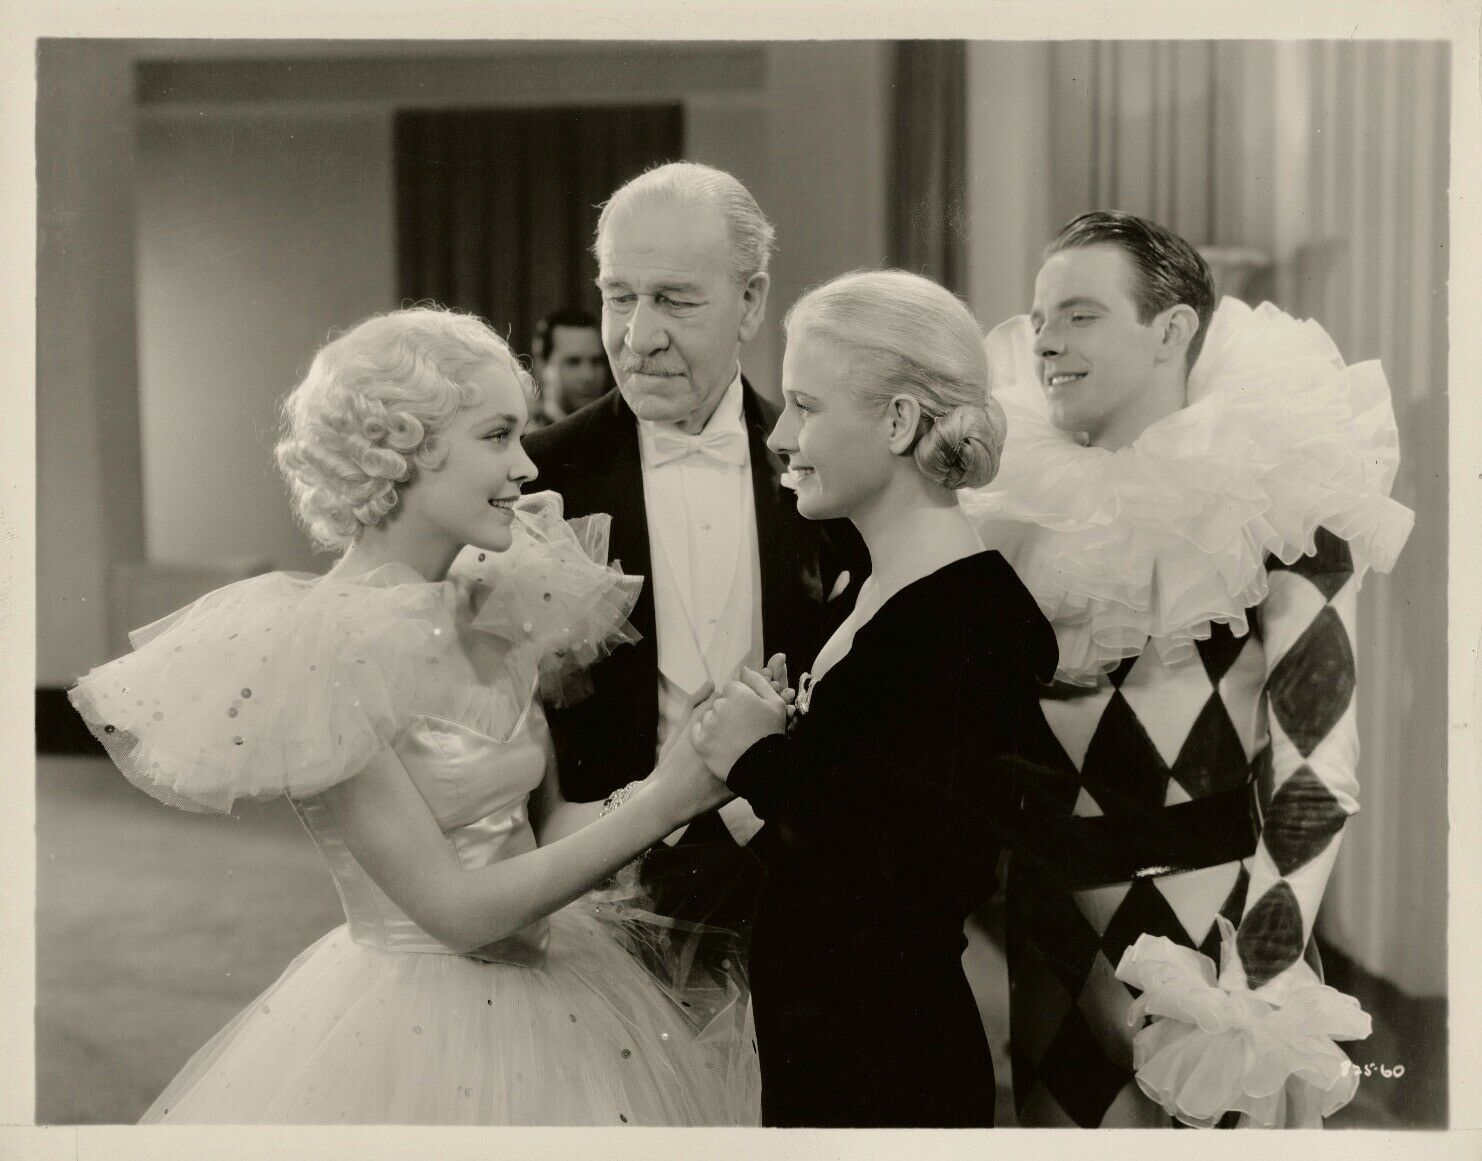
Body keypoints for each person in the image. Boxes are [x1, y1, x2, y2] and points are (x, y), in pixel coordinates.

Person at [66, 306, 759, 1125]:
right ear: (402, 447)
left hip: (560, 991)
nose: (527, 464)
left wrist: (691, 766)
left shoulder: (496, 605)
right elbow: (457, 912)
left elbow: (541, 831)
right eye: (498, 435)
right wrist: (664, 799)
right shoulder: (319, 645)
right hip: (417, 1024)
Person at [966, 211, 1414, 1128]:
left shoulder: (1281, 492)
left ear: (1171, 330)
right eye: (1041, 316)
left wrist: (1258, 987)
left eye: (1082, 316)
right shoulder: (1009, 505)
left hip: (1216, 934)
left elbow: (1313, 767)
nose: (1046, 341)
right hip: (1052, 934)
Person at [688, 270, 1060, 1127]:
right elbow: (852, 811)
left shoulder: (975, 621)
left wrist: (756, 758)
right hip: (824, 1046)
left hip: (892, 1070)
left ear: (897, 421)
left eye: (805, 407)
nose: (780, 436)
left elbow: (901, 874)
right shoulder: (868, 583)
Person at [520, 162, 866, 941]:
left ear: (751, 302)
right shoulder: (538, 479)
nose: (638, 338)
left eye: (674, 298)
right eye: (619, 297)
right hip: (590, 909)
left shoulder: (833, 475)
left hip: (793, 904)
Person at [527, 306, 611, 430]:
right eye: (573, 362)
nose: (588, 376)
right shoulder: (524, 439)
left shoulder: (619, 433)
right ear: (541, 367)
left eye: (597, 361)